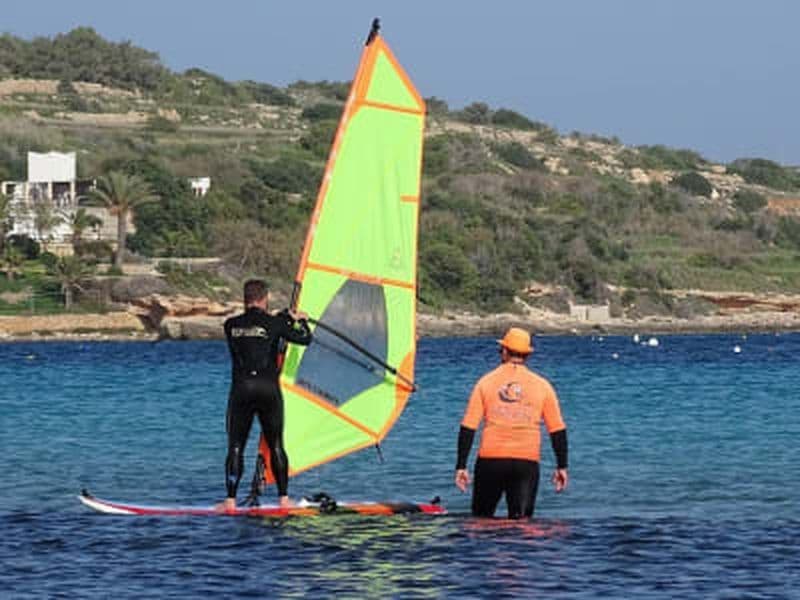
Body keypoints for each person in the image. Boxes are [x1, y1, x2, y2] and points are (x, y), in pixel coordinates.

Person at [218, 279, 312, 511]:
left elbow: (258, 329)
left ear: (245, 299)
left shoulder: (230, 325)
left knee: (236, 447)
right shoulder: (275, 324)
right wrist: (301, 320)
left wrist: (282, 317)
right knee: (276, 445)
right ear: (265, 298)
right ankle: (284, 499)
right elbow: (304, 339)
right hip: (268, 390)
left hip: (242, 390)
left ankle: (230, 501)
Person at [454, 327, 569, 519]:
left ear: (505, 351)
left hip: (491, 460)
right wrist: (562, 466)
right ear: (527, 355)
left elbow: (468, 426)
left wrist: (461, 466)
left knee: (481, 523)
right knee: (522, 525)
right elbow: (557, 429)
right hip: (526, 462)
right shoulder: (543, 385)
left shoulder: (485, 382)